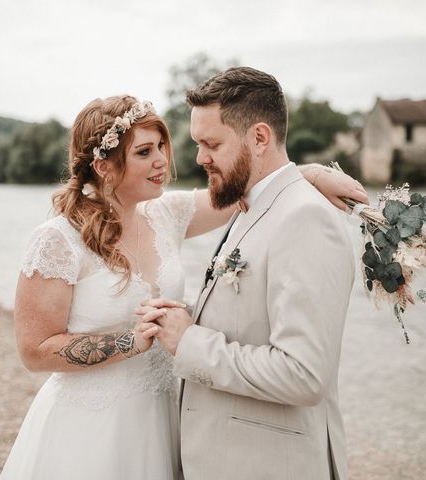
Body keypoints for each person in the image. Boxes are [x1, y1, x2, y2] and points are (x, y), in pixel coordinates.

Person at [0, 94, 367, 479]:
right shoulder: (57, 240)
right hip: (93, 425)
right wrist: (129, 342)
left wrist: (310, 174)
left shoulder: (167, 214)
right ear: (103, 166)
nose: (162, 160)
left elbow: (253, 182)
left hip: (168, 416)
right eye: (143, 152)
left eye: (161, 145)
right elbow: (34, 350)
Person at [140, 67, 355, 480]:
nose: (199, 157)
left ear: (259, 138)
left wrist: (189, 342)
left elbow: (304, 375)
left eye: (211, 144)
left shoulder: (306, 218)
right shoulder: (247, 204)